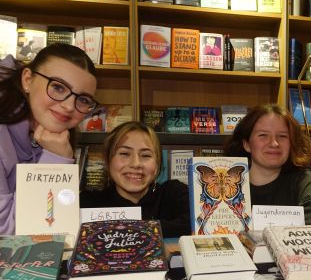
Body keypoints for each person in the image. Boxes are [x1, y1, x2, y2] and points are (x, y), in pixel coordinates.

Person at [0, 43, 98, 235]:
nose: (70, 106)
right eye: (58, 87)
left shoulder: (50, 136)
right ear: (27, 80)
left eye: (83, 99)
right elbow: (7, 235)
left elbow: (56, 223)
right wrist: (56, 161)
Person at [80, 122, 190, 238]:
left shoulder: (173, 193)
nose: (136, 164)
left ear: (157, 164)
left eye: (146, 155)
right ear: (108, 161)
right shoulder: (89, 202)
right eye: (125, 153)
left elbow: (197, 225)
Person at [224, 104, 311, 225]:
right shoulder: (224, 182)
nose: (274, 143)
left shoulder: (302, 180)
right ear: (246, 144)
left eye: (282, 136)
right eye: (263, 135)